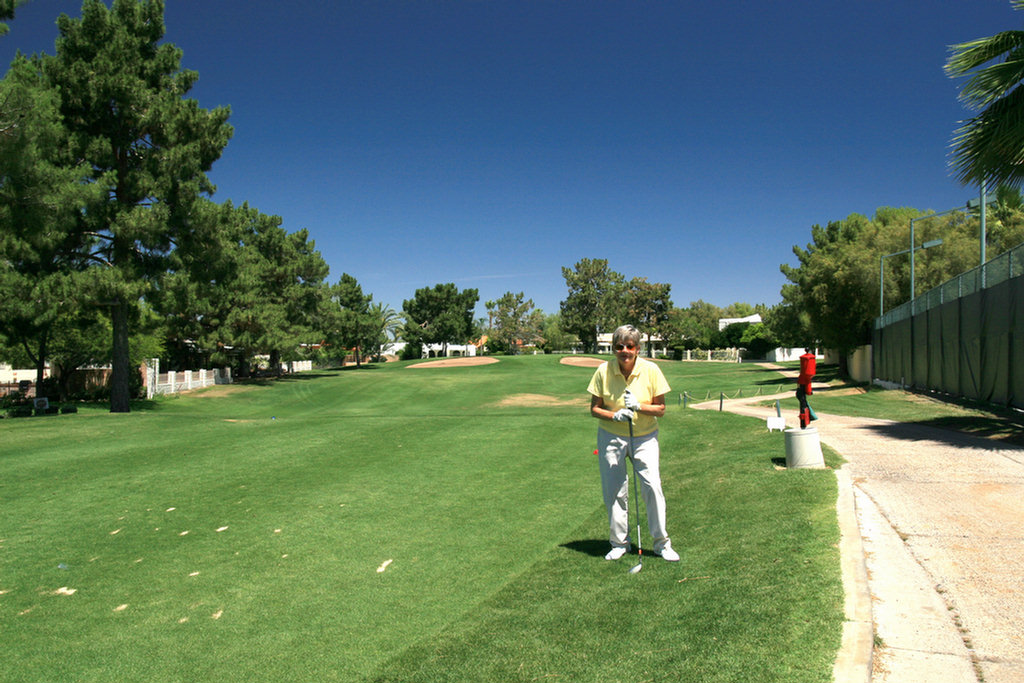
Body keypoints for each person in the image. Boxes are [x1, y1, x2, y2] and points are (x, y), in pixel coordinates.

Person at [587, 324, 678, 562]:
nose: (624, 350)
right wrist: (614, 415)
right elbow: (595, 409)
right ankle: (619, 543)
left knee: (652, 486)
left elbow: (661, 409)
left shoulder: (651, 370)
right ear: (614, 349)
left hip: (645, 436)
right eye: (619, 346)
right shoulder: (603, 371)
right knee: (614, 490)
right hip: (611, 436)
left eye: (630, 346)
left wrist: (638, 406)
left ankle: (661, 544)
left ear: (638, 349)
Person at [796, 348, 817, 429]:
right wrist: (809, 391)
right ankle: (805, 419)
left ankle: (805, 420)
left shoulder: (804, 376)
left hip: (803, 382)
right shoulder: (806, 376)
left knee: (803, 402)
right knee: (803, 402)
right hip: (803, 383)